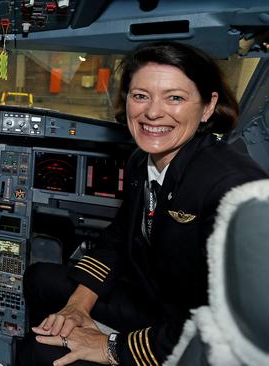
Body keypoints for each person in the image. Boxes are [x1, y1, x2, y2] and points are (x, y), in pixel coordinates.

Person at [17, 41, 267, 366]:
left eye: (175, 98)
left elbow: (223, 326)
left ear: (208, 107)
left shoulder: (230, 187)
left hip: (190, 337)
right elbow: (120, 237)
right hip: (155, 303)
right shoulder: (142, 162)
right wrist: (78, 305)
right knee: (39, 278)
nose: (152, 112)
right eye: (140, 96)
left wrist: (110, 347)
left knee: (40, 354)